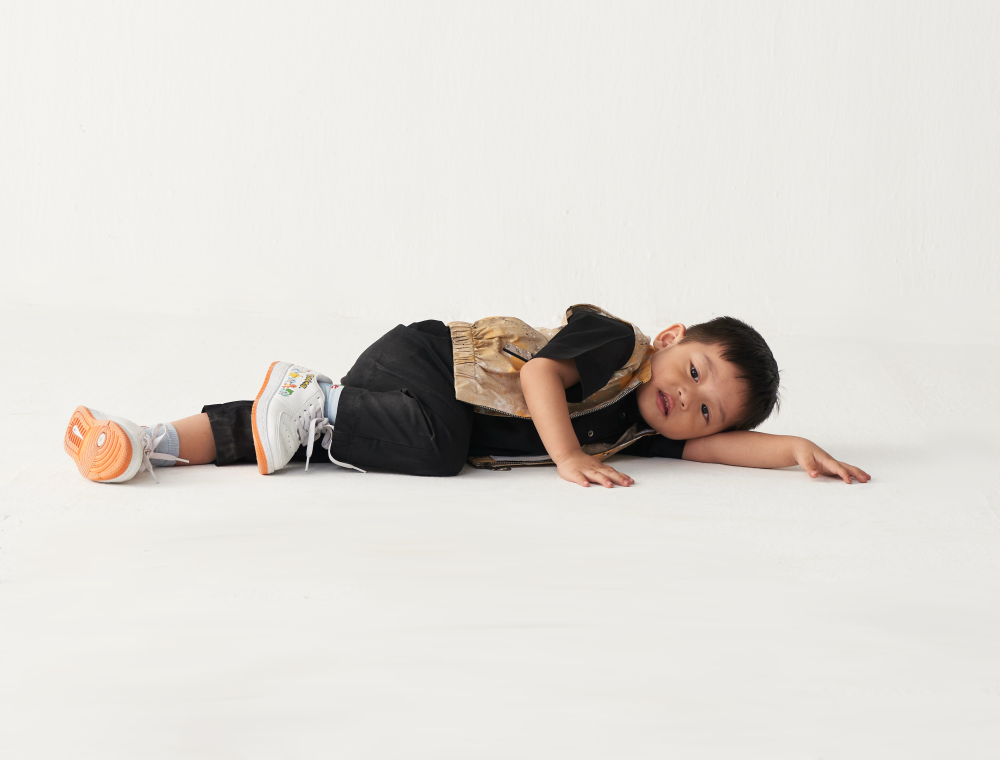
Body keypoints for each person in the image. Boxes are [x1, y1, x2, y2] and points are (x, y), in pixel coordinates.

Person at [62, 304, 870, 489]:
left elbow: (715, 448)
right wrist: (566, 457)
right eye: (692, 372)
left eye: (706, 407)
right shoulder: (618, 346)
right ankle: (318, 402)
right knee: (439, 446)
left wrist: (794, 451)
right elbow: (538, 376)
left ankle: (146, 442)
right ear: (670, 337)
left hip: (405, 413)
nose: (686, 403)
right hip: (425, 363)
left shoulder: (643, 429)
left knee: (294, 442)